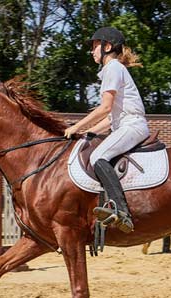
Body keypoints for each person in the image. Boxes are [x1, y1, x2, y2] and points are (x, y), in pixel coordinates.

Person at [64, 27, 150, 233]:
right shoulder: (113, 70)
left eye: (95, 47)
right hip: (125, 124)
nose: (92, 51)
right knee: (97, 150)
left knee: (97, 157)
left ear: (107, 47)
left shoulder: (113, 67)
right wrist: (88, 133)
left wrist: (76, 126)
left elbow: (105, 108)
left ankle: (122, 211)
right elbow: (110, 120)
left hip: (132, 125)